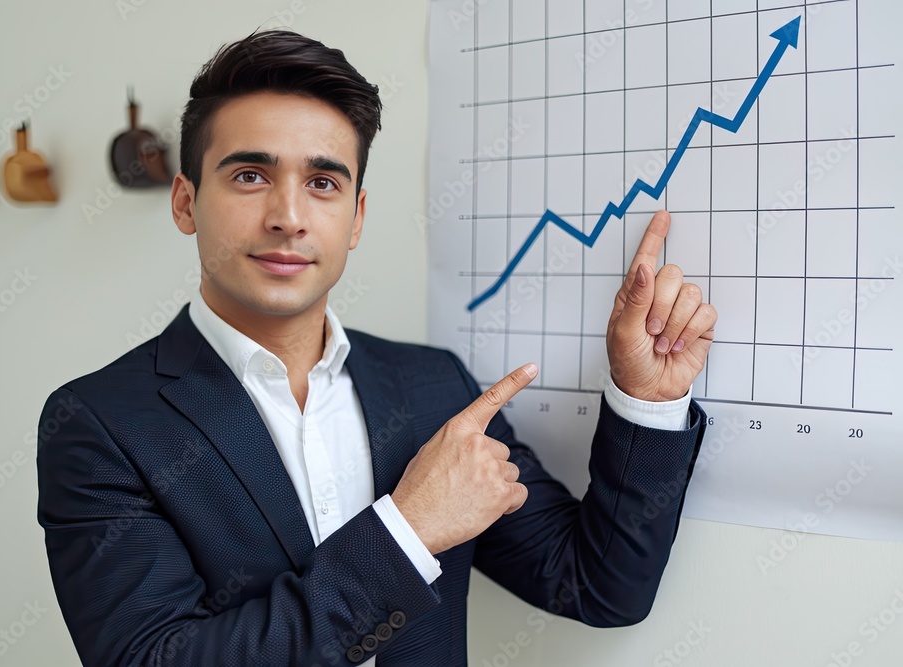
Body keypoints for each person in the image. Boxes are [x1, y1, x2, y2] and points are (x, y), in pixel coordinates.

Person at [36, 29, 716, 667]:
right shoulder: (99, 424)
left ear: (356, 217)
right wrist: (408, 530)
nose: (288, 215)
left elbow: (597, 587)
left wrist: (646, 401)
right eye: (249, 175)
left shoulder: (432, 388)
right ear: (186, 202)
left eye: (323, 183)